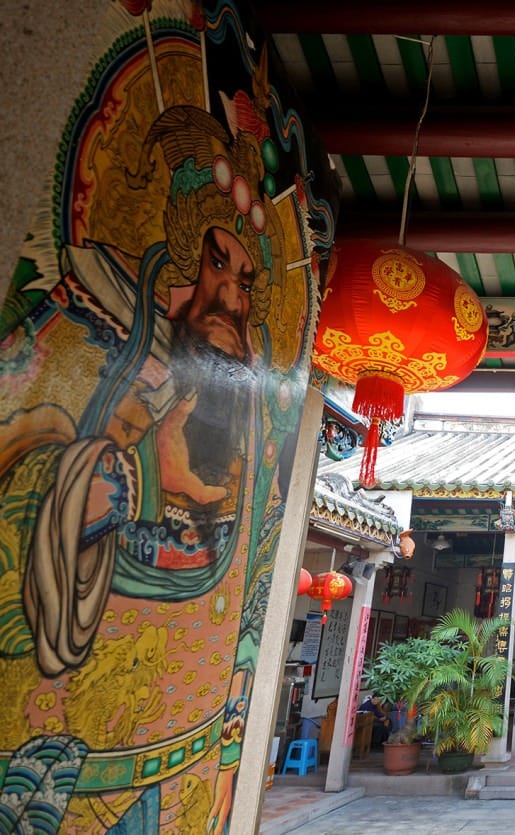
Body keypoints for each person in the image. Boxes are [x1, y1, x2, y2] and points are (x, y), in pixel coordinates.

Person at [0, 93, 318, 833]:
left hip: (197, 759)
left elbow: (262, 551)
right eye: (218, 265)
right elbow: (23, 484)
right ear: (175, 267)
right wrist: (136, 478)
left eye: (246, 280)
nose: (234, 297)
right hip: (69, 754)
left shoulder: (256, 419)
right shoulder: (88, 336)